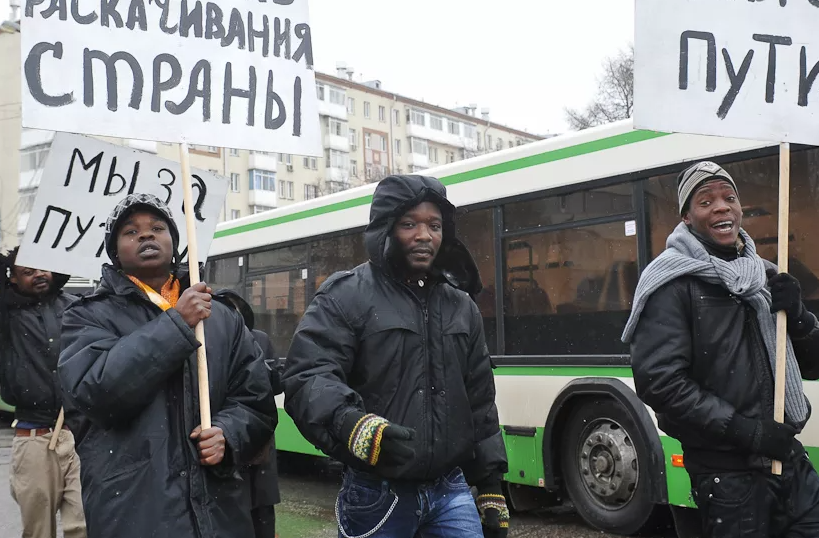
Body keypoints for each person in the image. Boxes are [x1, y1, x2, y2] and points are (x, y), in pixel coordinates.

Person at [621, 161, 819, 537]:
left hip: (787, 458)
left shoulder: (767, 274)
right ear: (688, 218)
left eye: (729, 198)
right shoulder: (670, 283)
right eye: (706, 201)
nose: (722, 206)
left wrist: (800, 314)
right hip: (726, 475)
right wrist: (748, 432)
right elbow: (659, 383)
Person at [283, 174, 509, 538]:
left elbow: (480, 401)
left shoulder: (461, 306)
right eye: (409, 224)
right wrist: (355, 426)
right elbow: (308, 377)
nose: (424, 235)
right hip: (376, 494)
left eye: (434, 225)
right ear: (386, 229)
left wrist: (491, 487)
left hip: (451, 492)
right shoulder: (347, 295)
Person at [57, 193, 277, 538]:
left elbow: (256, 401)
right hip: (135, 510)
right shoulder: (87, 315)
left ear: (175, 242)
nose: (146, 235)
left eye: (158, 227)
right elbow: (96, 394)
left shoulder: (219, 316)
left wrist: (229, 434)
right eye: (130, 232)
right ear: (115, 253)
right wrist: (177, 324)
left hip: (218, 511)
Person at [0, 248, 86, 538]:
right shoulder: (6, 315)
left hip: (82, 434)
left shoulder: (77, 306)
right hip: (33, 438)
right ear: (12, 279)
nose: (38, 274)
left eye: (42, 267)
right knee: (38, 530)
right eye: (27, 271)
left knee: (86, 525)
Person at [216, 288, 282, 538]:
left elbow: (276, 384)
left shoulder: (260, 338)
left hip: (259, 442)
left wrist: (263, 374)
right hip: (227, 435)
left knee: (262, 507)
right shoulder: (210, 341)